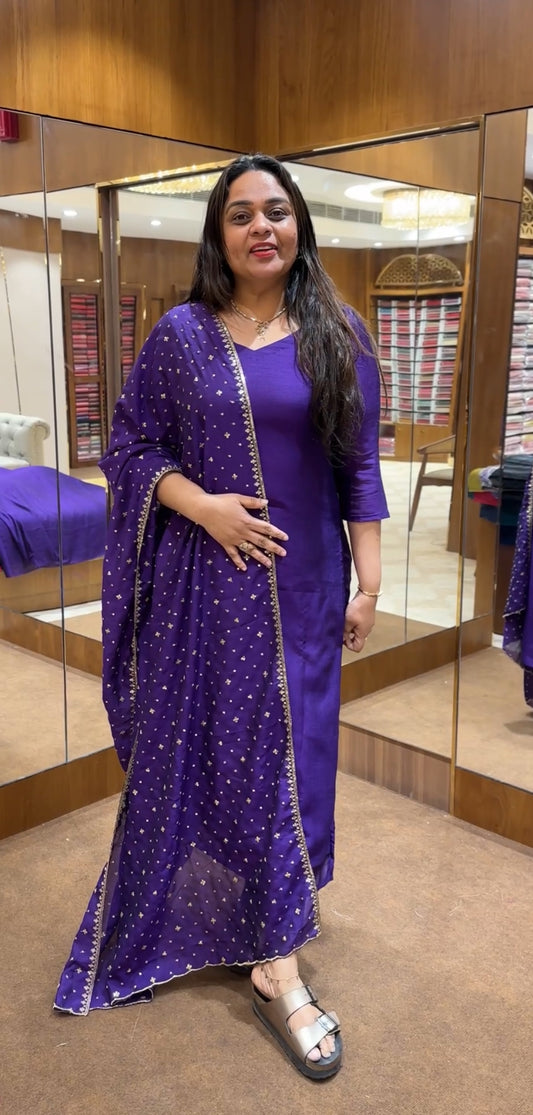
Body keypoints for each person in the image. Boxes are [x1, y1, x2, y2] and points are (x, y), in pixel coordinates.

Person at [53, 153, 389, 1081]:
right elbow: (131, 446)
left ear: (298, 225)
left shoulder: (338, 332)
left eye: (275, 211)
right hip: (207, 584)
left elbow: (359, 465)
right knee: (213, 748)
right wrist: (202, 506)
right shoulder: (181, 336)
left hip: (304, 587)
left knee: (292, 757)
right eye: (240, 214)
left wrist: (367, 583)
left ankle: (275, 959)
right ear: (218, 234)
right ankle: (246, 925)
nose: (260, 227)